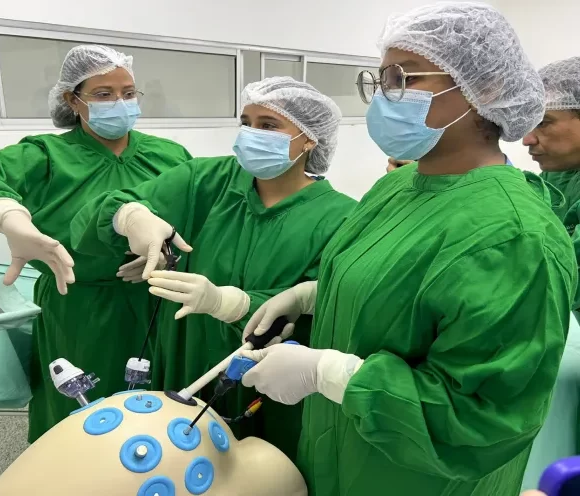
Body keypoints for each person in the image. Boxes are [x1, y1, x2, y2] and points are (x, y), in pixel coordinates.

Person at [238, 3, 577, 495]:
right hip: (342, 457)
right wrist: (315, 296)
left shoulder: (514, 235)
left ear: (486, 89)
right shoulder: (397, 187)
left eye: (406, 78)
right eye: (381, 80)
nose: (385, 97)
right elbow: (401, 285)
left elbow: (481, 419)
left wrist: (330, 372)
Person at [69, 76, 357, 461]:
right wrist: (130, 216)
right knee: (175, 459)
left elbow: (327, 305)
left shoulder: (342, 217)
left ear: (309, 139)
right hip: (186, 357)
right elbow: (107, 207)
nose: (252, 134)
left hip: (268, 382)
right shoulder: (208, 182)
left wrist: (231, 304)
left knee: (261, 470)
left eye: (269, 125)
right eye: (246, 122)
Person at [0, 44, 192, 442]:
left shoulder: (170, 155)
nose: (119, 102)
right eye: (103, 94)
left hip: (154, 300)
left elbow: (193, 214)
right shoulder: (45, 155)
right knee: (80, 409)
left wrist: (166, 254)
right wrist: (7, 215)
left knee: (154, 408)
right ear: (71, 100)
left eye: (128, 93)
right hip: (79, 306)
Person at [523, 57, 580, 299]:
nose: (527, 139)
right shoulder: (559, 175)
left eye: (543, 123)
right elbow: (524, 213)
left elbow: (561, 272)